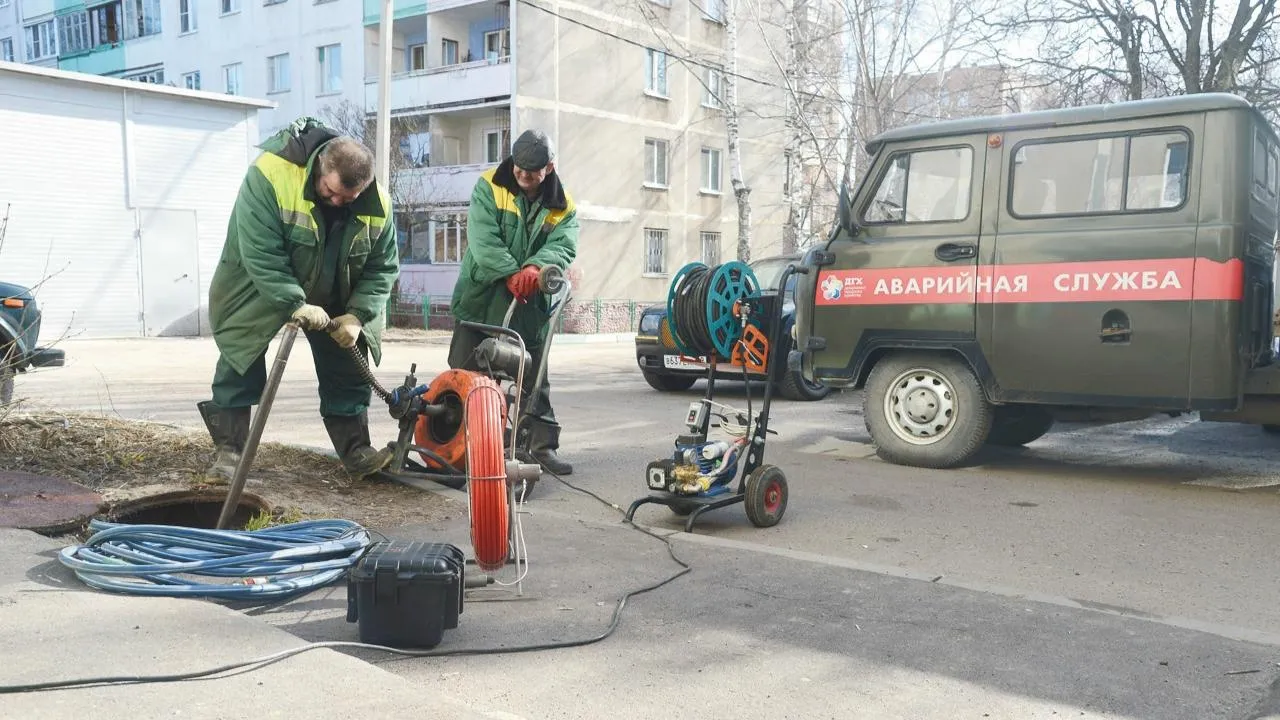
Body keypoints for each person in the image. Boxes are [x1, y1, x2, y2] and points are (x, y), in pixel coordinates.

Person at [197, 116, 400, 484]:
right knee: (239, 359)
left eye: (348, 198)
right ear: (321, 166)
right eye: (331, 192)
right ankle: (229, 453)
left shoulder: (379, 205)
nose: (338, 202)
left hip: (336, 291)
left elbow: (382, 268)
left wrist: (357, 316)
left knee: (349, 367)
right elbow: (262, 255)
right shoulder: (269, 176)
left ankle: (356, 450)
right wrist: (294, 302)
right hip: (259, 285)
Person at [448, 129, 579, 476]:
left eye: (531, 173)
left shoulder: (562, 207)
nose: (522, 176)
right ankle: (455, 448)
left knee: (534, 378)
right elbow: (483, 239)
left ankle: (540, 448)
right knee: (465, 373)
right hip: (482, 297)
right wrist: (510, 272)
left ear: (548, 169)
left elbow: (564, 246)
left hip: (530, 303)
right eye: (518, 169)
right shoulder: (489, 185)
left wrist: (535, 269)